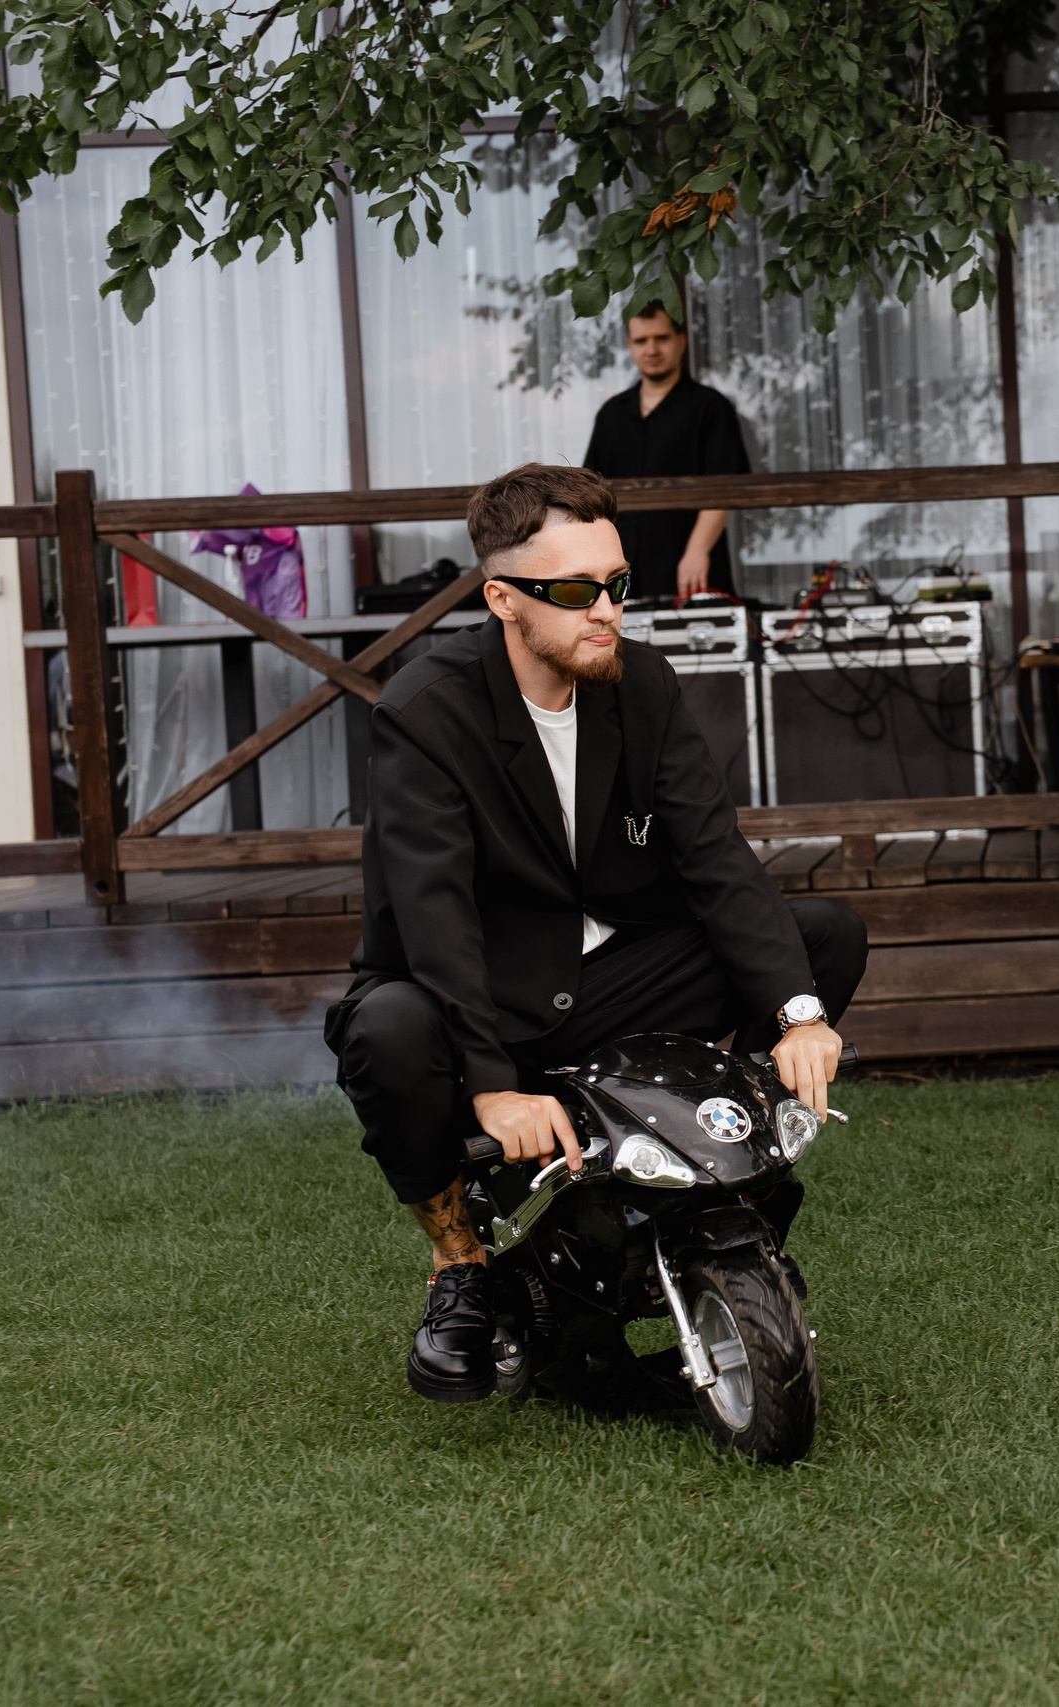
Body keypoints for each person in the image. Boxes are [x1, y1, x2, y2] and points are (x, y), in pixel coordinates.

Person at [324, 463, 867, 1403]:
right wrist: (493, 1090)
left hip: (611, 985)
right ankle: (463, 1270)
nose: (606, 610)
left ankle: (705, 1182)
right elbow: (435, 917)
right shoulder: (426, 712)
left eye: (617, 584)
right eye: (575, 592)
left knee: (819, 937)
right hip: (481, 1008)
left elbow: (716, 860)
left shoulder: (642, 687)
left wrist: (800, 1014)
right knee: (387, 1026)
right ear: (501, 598)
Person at [580, 301, 753, 603]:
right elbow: (591, 495)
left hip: (691, 568)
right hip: (622, 573)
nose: (652, 349)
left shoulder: (710, 407)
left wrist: (697, 551)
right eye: (641, 341)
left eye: (661, 338)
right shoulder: (611, 414)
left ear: (680, 341)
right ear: (629, 346)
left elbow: (725, 488)